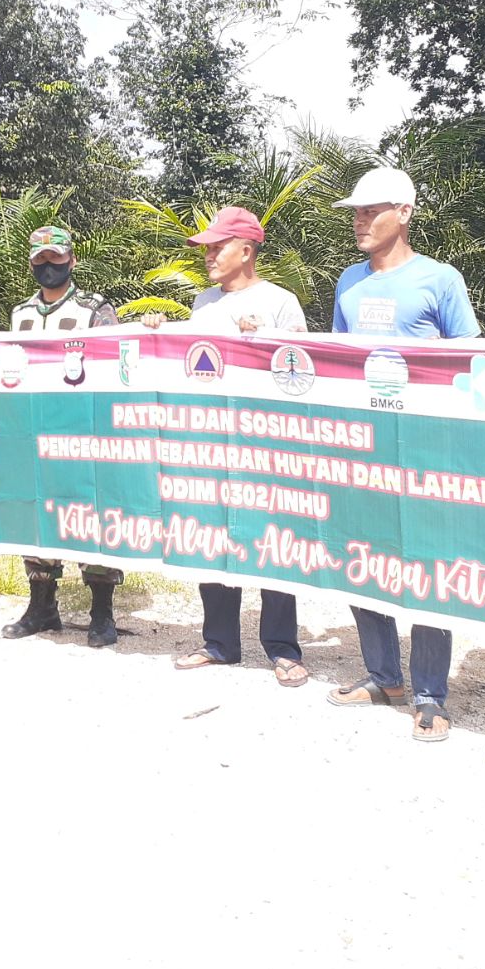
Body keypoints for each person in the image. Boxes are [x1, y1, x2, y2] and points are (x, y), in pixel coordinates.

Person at [326, 167, 480, 741]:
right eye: (356, 213)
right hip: (362, 445)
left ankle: (430, 693)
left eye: (372, 211)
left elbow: (468, 362)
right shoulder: (349, 282)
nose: (360, 221)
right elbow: (338, 360)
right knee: (363, 555)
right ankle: (383, 675)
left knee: (428, 564)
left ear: (405, 213)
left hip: (425, 446)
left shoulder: (440, 279)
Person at [143, 206, 311, 686]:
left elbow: (301, 369)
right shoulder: (204, 303)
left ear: (247, 250)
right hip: (211, 441)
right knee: (212, 535)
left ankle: (282, 647)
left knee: (272, 538)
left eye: (219, 247)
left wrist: (266, 340)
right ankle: (219, 642)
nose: (210, 256)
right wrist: (158, 334)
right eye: (208, 248)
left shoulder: (280, 301)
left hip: (266, 443)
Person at [0, 225, 125, 646]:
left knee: (92, 514)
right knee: (38, 512)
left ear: (72, 259)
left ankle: (102, 613)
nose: (48, 266)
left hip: (83, 431)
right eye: (40, 260)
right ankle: (42, 607)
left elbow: (114, 362)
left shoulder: (94, 310)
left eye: (55, 258)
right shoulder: (20, 314)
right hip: (34, 432)